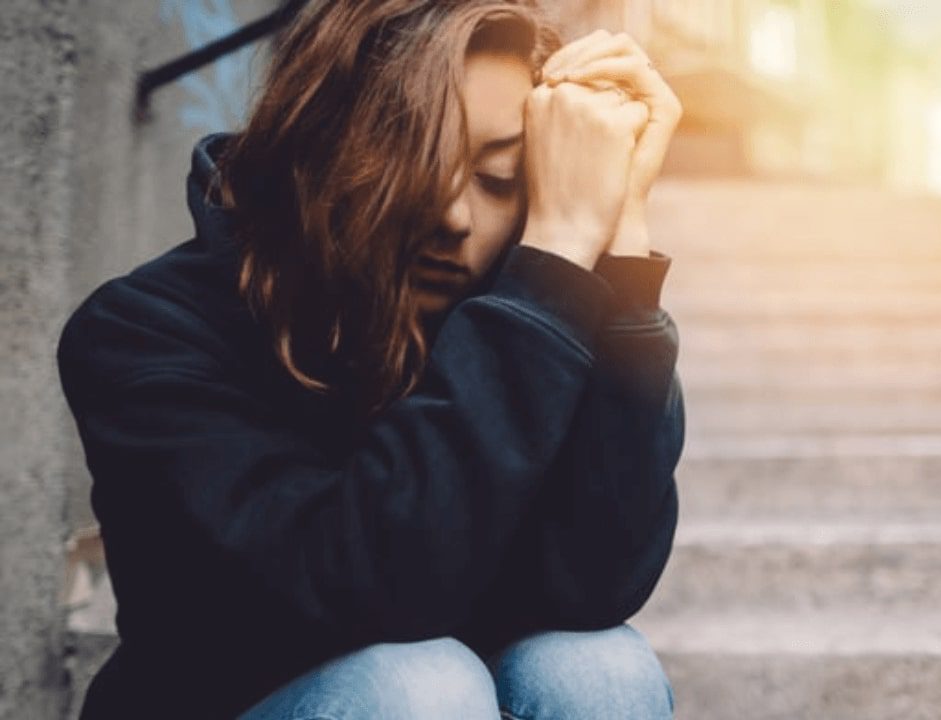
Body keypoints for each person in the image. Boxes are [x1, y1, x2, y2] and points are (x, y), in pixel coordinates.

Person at [55, 1, 685, 717]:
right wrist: (549, 273)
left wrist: (616, 239)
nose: (454, 216)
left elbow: (595, 584)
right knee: (418, 687)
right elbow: (366, 586)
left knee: (598, 666)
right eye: (412, 163)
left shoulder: (528, 314)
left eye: (501, 179)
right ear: (312, 146)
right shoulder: (144, 333)